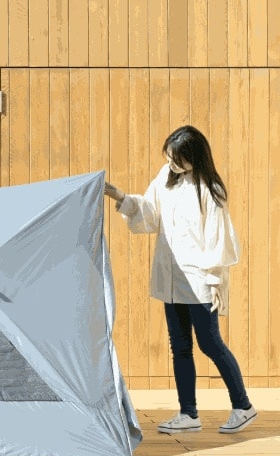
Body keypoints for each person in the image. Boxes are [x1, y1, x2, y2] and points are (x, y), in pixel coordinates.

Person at [104, 125, 256, 434]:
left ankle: (243, 406)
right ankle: (188, 414)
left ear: (194, 157)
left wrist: (215, 282)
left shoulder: (210, 190)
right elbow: (149, 212)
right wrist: (120, 196)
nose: (171, 163)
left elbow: (216, 239)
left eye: (177, 159)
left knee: (210, 344)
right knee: (181, 347)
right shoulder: (166, 177)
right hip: (171, 280)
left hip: (199, 281)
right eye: (169, 157)